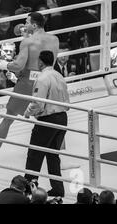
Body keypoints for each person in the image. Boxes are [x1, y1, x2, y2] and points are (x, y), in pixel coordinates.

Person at [0, 12, 59, 160]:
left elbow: (18, 65)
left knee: (8, 119)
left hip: (28, 82)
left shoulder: (28, 42)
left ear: (34, 25)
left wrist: (1, 63)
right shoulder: (55, 39)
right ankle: (57, 158)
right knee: (51, 119)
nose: (24, 25)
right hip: (48, 79)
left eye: (27, 22)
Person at [23, 50, 70, 197]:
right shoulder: (59, 75)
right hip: (62, 117)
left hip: (48, 120)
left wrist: (28, 113)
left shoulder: (43, 78)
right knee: (52, 155)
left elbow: (38, 102)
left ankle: (28, 187)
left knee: (34, 155)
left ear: (41, 62)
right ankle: (58, 189)